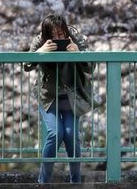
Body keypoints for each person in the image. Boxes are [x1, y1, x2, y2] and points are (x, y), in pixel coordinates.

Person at [24, 14, 94, 184]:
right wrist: (40, 53)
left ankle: (75, 181)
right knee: (55, 133)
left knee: (71, 135)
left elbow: (91, 66)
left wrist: (78, 54)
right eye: (53, 35)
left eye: (61, 34)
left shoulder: (76, 37)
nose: (58, 38)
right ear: (46, 34)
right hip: (48, 95)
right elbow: (26, 64)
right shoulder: (40, 40)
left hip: (72, 95)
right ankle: (43, 181)